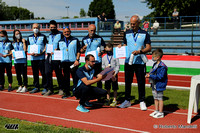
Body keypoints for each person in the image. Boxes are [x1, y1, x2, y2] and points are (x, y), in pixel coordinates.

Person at [118, 15, 151, 110]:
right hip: (128, 61)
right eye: (131, 23)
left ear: (138, 23)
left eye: (134, 24)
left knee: (141, 82)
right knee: (127, 82)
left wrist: (140, 52)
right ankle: (127, 100)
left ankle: (142, 101)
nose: (132, 25)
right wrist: (121, 47)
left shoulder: (145, 33)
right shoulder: (127, 33)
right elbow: (125, 44)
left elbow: (149, 47)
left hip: (140, 62)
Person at [58, 27, 81, 99]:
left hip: (73, 62)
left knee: (75, 78)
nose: (66, 33)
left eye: (68, 32)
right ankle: (67, 93)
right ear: (63, 33)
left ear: (70, 32)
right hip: (64, 62)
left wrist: (77, 60)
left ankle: (77, 93)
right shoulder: (60, 41)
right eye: (65, 32)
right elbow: (58, 52)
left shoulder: (75, 40)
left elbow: (79, 51)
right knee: (66, 78)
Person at [43, 20, 64, 96]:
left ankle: (61, 88)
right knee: (47, 72)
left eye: (54, 27)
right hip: (49, 56)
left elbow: (63, 44)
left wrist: (57, 49)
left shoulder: (61, 34)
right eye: (51, 27)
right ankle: (50, 89)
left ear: (56, 27)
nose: (52, 28)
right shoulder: (49, 35)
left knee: (58, 73)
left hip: (57, 56)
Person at [145, 48, 168, 118]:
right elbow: (153, 72)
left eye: (153, 56)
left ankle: (161, 112)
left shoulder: (162, 66)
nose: (152, 57)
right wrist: (149, 74)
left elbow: (160, 76)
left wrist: (150, 75)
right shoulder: (155, 64)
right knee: (155, 98)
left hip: (159, 84)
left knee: (160, 98)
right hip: (154, 84)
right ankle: (156, 110)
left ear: (157, 57)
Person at [82, 24, 105, 89]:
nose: (92, 32)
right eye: (91, 30)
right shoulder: (84, 39)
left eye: (94, 31)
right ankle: (87, 92)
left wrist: (101, 52)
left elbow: (104, 49)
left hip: (97, 62)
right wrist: (83, 48)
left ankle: (99, 94)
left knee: (99, 78)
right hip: (88, 63)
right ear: (88, 30)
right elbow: (81, 50)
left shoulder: (99, 38)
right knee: (87, 78)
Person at [27, 23, 48, 94]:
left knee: (43, 73)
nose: (35, 29)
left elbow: (46, 46)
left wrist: (41, 53)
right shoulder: (29, 37)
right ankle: (36, 87)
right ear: (32, 28)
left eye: (37, 27)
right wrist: (30, 52)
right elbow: (28, 47)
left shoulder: (43, 36)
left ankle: (45, 87)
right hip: (33, 58)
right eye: (34, 27)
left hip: (41, 58)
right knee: (35, 73)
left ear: (39, 29)